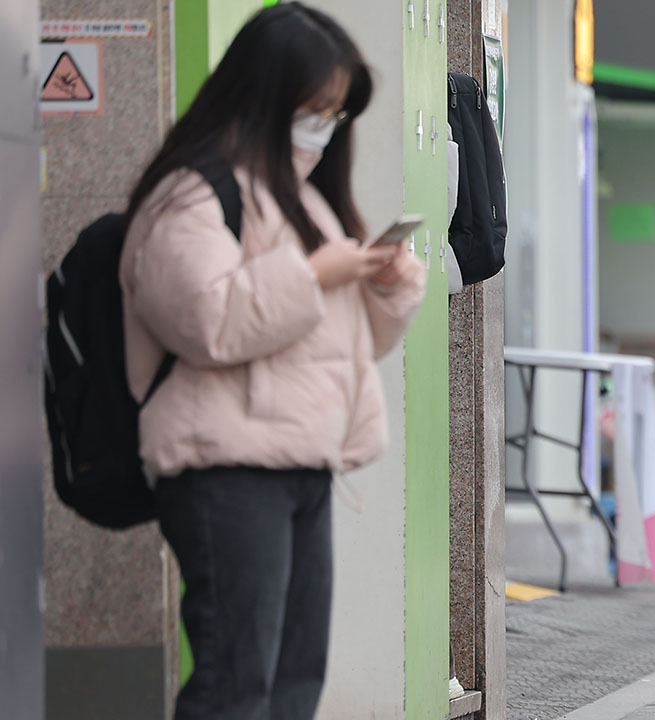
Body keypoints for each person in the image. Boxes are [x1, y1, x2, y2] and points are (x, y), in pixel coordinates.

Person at [120, 5, 427, 718]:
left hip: (300, 462)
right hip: (224, 467)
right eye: (311, 110)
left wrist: (383, 284)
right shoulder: (194, 193)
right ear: (262, 97)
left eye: (333, 114)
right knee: (236, 684)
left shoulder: (301, 201)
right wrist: (317, 276)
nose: (322, 130)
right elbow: (209, 322)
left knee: (292, 683)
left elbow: (338, 347)